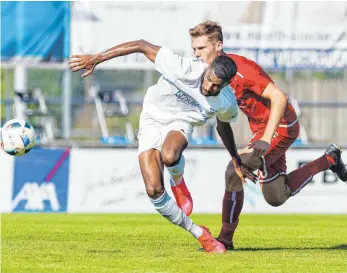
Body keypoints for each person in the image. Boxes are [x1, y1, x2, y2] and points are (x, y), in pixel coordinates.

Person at [169, 20, 347, 250]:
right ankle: (329, 160)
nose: (196, 54)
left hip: (281, 125)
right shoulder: (211, 74)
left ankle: (225, 240)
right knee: (276, 197)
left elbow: (280, 98)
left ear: (218, 46)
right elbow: (222, 121)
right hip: (262, 130)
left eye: (201, 49)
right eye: (194, 49)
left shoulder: (241, 69)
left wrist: (265, 138)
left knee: (233, 173)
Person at [68, 39, 251, 253]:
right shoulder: (182, 67)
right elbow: (141, 45)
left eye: (217, 86)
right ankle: (200, 233)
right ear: (207, 68)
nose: (209, 87)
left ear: (227, 84)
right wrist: (96, 58)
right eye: (209, 79)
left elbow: (223, 126)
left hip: (180, 123)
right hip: (152, 119)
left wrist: (236, 159)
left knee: (170, 156)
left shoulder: (227, 102)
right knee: (153, 190)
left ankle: (177, 179)